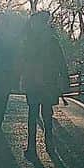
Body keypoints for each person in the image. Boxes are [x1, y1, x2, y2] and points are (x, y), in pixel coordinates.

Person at [20, 10, 68, 159]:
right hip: (45, 82)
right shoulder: (50, 40)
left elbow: (59, 61)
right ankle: (45, 143)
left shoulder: (32, 41)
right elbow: (61, 62)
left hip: (39, 82)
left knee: (36, 114)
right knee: (43, 114)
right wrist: (64, 79)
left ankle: (34, 146)